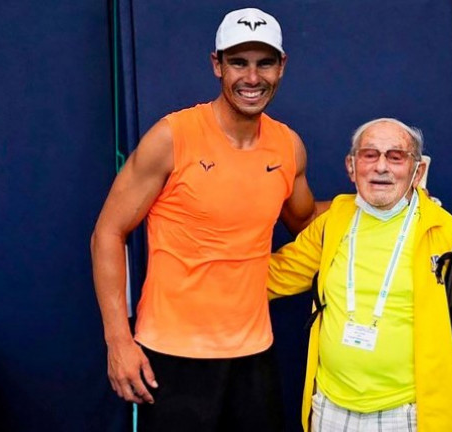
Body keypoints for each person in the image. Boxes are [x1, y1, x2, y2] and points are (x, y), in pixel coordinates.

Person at [91, 7, 328, 431]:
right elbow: (108, 232)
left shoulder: (287, 147)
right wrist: (118, 341)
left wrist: (378, 198)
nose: (251, 78)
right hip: (172, 357)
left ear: (282, 67)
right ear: (216, 64)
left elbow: (307, 221)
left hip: (254, 356)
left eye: (264, 63)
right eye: (238, 62)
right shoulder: (172, 137)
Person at [268, 118, 452, 432]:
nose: (381, 167)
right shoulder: (334, 223)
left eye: (395, 156)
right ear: (351, 165)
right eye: (369, 155)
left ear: (418, 171)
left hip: (411, 416)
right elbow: (272, 277)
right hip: (330, 409)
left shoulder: (449, 238)